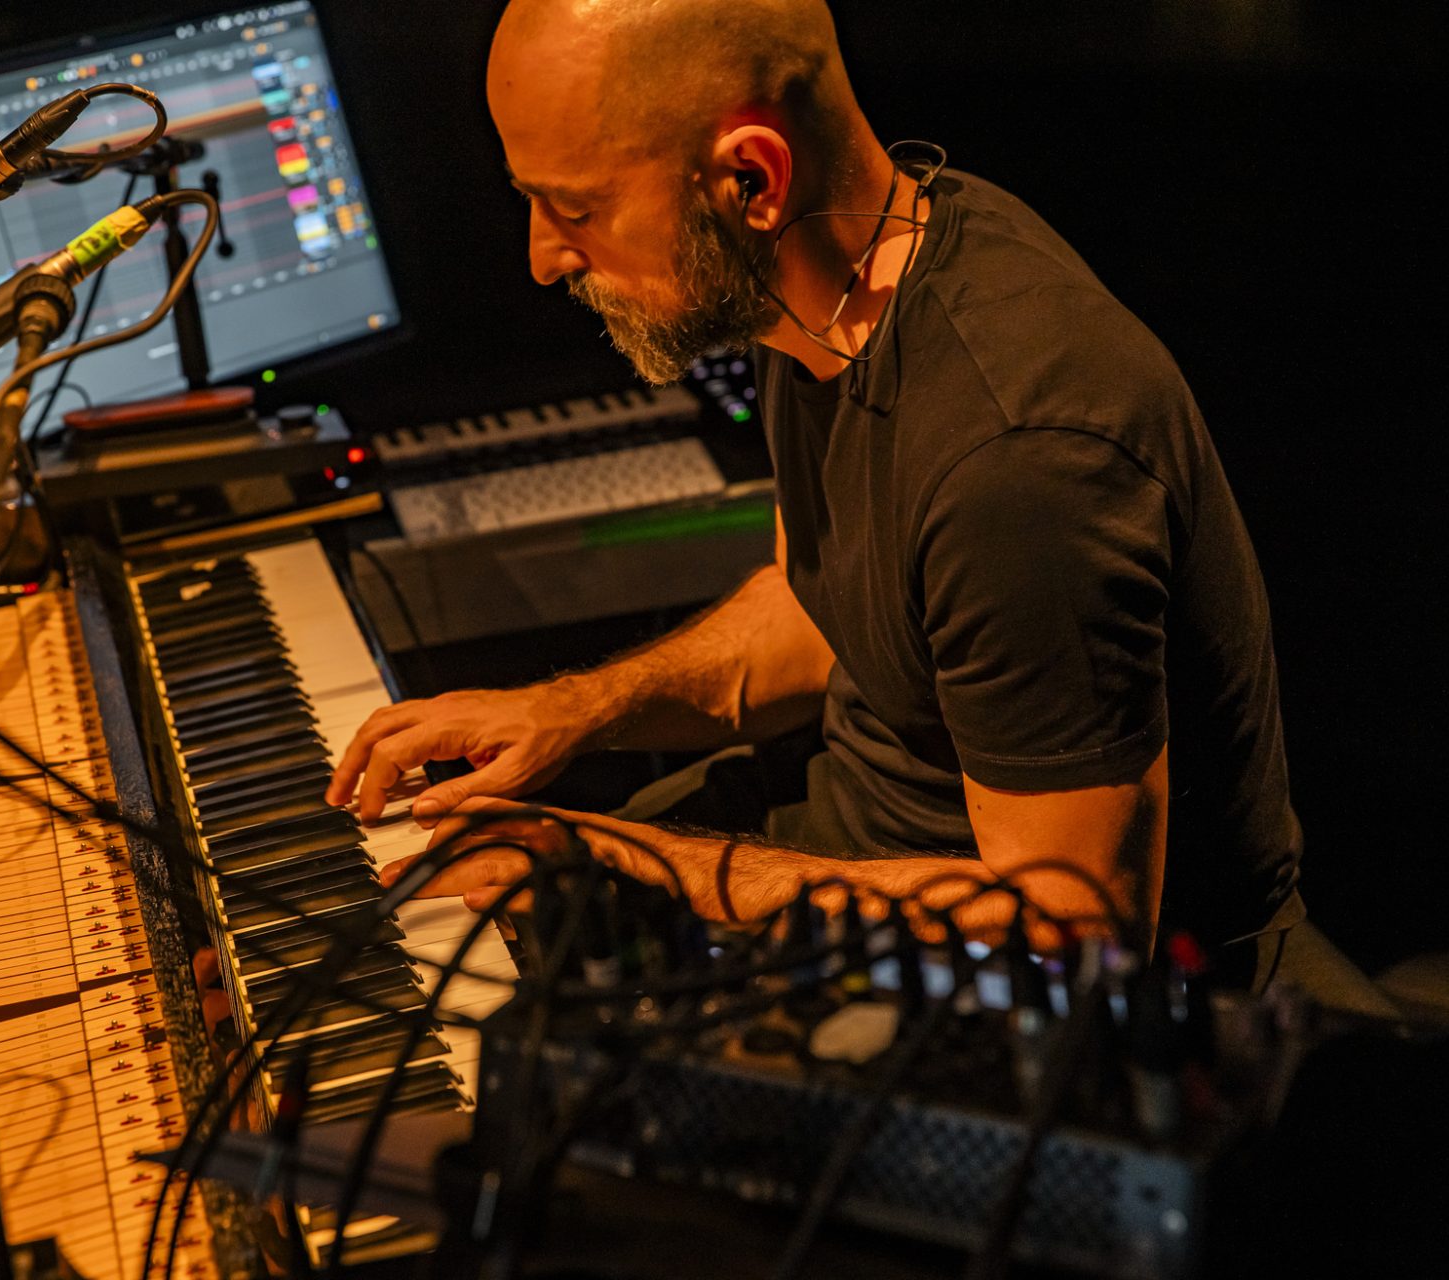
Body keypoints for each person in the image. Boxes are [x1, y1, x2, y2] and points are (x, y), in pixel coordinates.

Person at [325, 0, 1303, 978]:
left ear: (752, 178)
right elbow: (818, 610)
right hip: (857, 845)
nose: (544, 259)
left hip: (1061, 986)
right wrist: (569, 710)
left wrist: (638, 863)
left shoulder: (1019, 462)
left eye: (576, 208)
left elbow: (1073, 934)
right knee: (406, 925)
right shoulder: (807, 288)